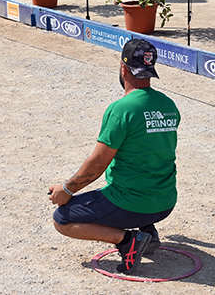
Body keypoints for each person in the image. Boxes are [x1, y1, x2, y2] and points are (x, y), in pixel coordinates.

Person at [48, 39, 181, 275]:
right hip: (165, 203)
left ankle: (128, 240)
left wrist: (66, 190)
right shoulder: (168, 104)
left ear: (123, 67)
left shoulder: (122, 109)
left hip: (133, 204)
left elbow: (98, 163)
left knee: (62, 219)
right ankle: (148, 232)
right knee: (143, 169)